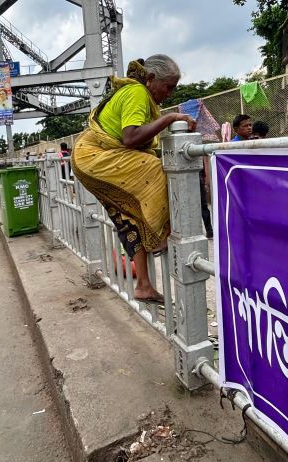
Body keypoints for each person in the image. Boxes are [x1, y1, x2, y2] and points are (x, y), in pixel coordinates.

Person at [71, 55, 195, 304]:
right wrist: (170, 119)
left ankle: (144, 285)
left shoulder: (136, 92)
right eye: (168, 86)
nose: (170, 93)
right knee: (152, 167)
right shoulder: (137, 92)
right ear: (150, 79)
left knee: (129, 217)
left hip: (86, 159)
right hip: (95, 157)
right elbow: (131, 138)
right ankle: (162, 233)